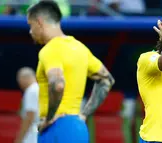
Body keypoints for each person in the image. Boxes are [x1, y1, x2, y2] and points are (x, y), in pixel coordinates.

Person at [26, 1, 115, 143]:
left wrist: (49, 118)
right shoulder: (80, 48)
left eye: (30, 25)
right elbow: (107, 80)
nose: (30, 32)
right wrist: (85, 114)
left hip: (56, 128)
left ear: (39, 22)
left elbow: (57, 84)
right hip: (78, 127)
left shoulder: (49, 50)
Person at [15, 67, 39, 143]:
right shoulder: (38, 88)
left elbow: (30, 116)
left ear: (23, 78)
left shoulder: (31, 91)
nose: (19, 84)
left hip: (32, 134)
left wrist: (20, 139)